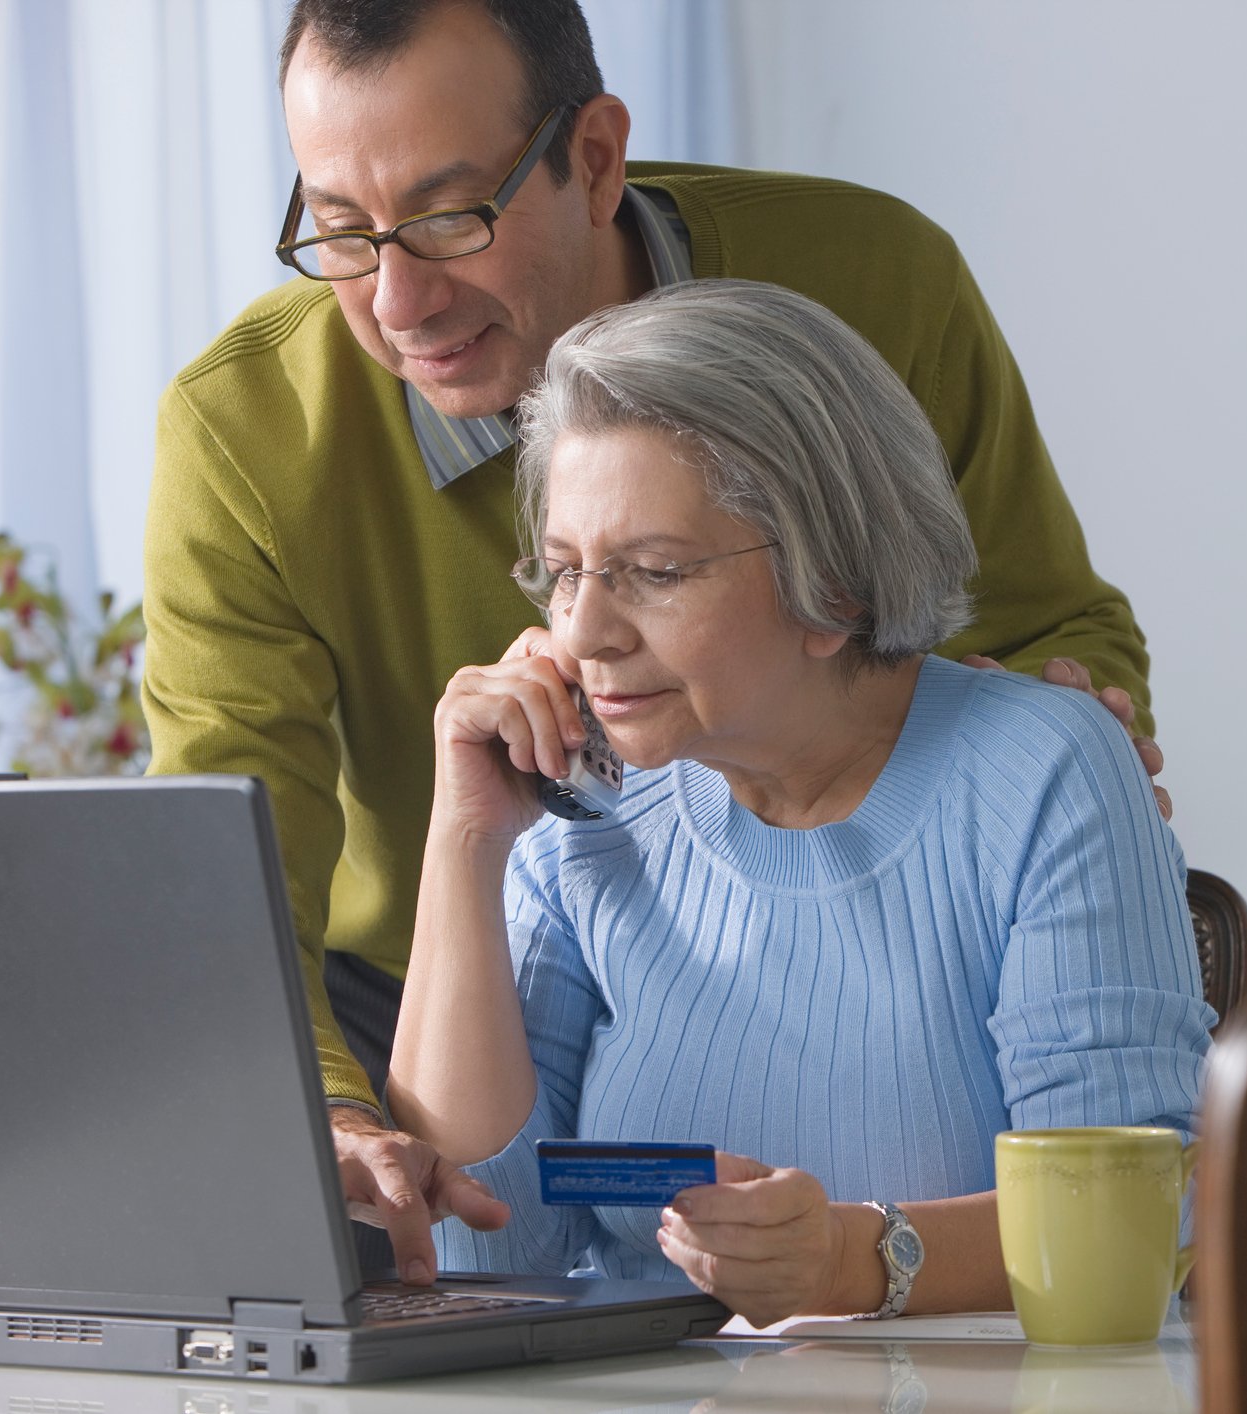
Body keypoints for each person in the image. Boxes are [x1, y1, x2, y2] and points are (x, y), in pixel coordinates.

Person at [141, 0, 1170, 1283]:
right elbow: (228, 889)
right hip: (409, 989)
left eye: (450, 214)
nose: (395, 297)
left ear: (595, 159)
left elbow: (1056, 622)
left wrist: (1037, 767)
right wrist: (454, 877)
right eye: (340, 232)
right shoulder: (572, 820)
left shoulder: (877, 281)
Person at [390, 279, 1209, 1323]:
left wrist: (857, 1259)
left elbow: (1136, 1222)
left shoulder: (1044, 773)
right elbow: (477, 1240)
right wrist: (465, 840)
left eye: (650, 570)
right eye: (563, 572)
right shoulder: (580, 815)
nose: (585, 630)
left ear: (837, 587)